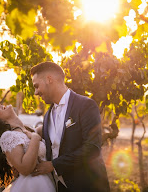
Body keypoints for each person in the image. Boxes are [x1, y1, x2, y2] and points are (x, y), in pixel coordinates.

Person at [30, 61, 110, 192]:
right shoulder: (47, 116)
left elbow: (92, 148)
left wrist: (54, 165)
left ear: (49, 79)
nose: (36, 92)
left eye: (37, 86)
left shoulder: (85, 105)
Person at [0, 103, 55, 191]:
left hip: (44, 182)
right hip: (32, 186)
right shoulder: (8, 136)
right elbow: (25, 168)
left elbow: (50, 129)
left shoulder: (27, 131)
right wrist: (35, 139)